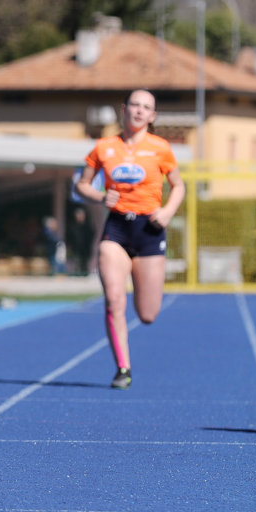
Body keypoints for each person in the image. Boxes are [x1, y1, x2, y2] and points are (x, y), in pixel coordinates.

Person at [75, 89, 185, 390]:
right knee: (114, 300)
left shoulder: (161, 148)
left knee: (148, 315)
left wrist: (167, 211)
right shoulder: (104, 147)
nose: (139, 111)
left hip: (150, 231)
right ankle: (122, 368)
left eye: (146, 107)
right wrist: (100, 196)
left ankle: (143, 293)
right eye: (134, 105)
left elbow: (179, 186)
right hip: (117, 229)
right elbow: (82, 185)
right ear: (123, 110)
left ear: (152, 116)